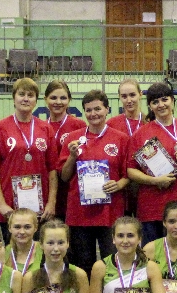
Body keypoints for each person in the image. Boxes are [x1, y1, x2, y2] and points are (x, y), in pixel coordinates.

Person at [58, 89, 131, 274]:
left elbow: (128, 174)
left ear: (107, 109)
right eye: (88, 110)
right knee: (82, 266)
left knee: (112, 265)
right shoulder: (73, 139)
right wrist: (72, 156)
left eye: (97, 109)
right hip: (79, 214)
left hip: (110, 213)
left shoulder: (121, 139)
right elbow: (64, 176)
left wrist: (119, 184)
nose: (93, 114)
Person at [0, 77, 57, 233]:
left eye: (31, 95)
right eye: (21, 94)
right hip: (10, 207)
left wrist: (51, 203)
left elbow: (53, 170)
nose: (26, 99)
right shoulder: (0, 127)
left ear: (36, 100)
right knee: (12, 248)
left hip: (40, 207)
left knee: (39, 247)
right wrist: (1, 203)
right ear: (14, 98)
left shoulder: (46, 128)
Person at [127, 82, 177, 243]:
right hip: (152, 207)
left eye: (165, 99)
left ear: (172, 100)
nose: (161, 105)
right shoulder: (141, 134)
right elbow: (131, 170)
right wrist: (154, 180)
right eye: (155, 102)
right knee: (152, 254)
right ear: (150, 106)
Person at [44, 80, 86, 219]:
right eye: (53, 98)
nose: (58, 102)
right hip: (47, 189)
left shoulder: (79, 125)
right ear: (45, 99)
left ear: (69, 100)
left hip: (71, 188)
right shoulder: (40, 127)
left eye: (63, 98)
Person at [107, 79, 143, 216]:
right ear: (119, 97)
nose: (129, 100)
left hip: (144, 184)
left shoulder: (149, 122)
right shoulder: (111, 124)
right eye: (124, 96)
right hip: (119, 186)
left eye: (132, 95)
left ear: (140, 94)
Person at [3, 208, 43, 277]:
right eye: (17, 227)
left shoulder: (44, 250)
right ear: (9, 228)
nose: (22, 232)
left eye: (27, 227)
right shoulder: (3, 252)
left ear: (35, 228)